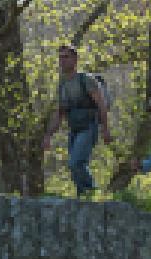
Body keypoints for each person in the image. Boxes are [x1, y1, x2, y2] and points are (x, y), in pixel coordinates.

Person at [41, 45, 111, 197]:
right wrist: (48, 135)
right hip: (74, 129)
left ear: (75, 59)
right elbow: (59, 113)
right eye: (60, 57)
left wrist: (105, 129)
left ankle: (92, 192)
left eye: (66, 57)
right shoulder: (63, 84)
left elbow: (102, 105)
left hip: (89, 127)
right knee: (74, 168)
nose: (62, 61)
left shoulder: (86, 80)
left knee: (76, 163)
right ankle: (83, 196)